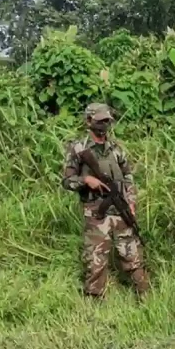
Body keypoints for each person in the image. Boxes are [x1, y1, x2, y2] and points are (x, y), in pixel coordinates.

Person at [61, 103, 149, 298]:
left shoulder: (116, 149)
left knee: (132, 253)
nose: (104, 126)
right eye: (100, 121)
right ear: (89, 121)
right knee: (95, 259)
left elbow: (128, 177)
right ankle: (94, 300)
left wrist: (131, 201)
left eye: (107, 121)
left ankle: (144, 296)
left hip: (120, 208)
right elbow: (67, 181)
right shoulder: (78, 149)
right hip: (95, 212)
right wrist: (86, 180)